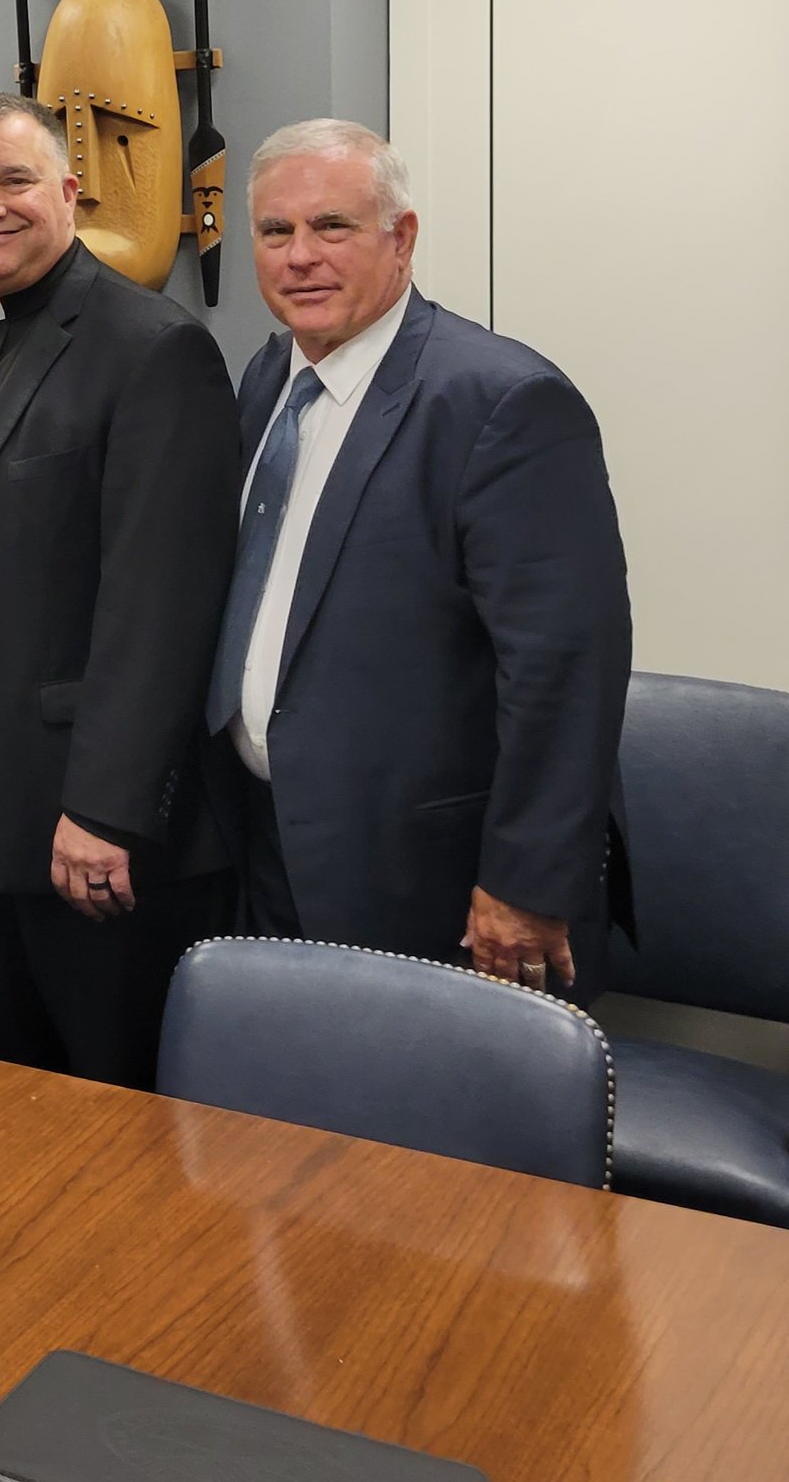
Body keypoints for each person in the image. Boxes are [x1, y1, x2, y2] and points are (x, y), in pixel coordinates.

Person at [208, 120, 631, 994]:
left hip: (430, 880)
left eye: (333, 227)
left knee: (417, 1130)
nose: (300, 257)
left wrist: (524, 882)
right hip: (268, 846)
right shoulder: (264, 379)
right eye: (276, 231)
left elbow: (565, 669)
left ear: (399, 238)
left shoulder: (501, 403)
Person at [0, 94, 240, 1089]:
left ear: (68, 193)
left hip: (90, 836)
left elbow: (160, 606)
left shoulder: (151, 348)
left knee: (115, 1130)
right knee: (8, 1107)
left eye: (14, 181)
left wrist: (107, 810)